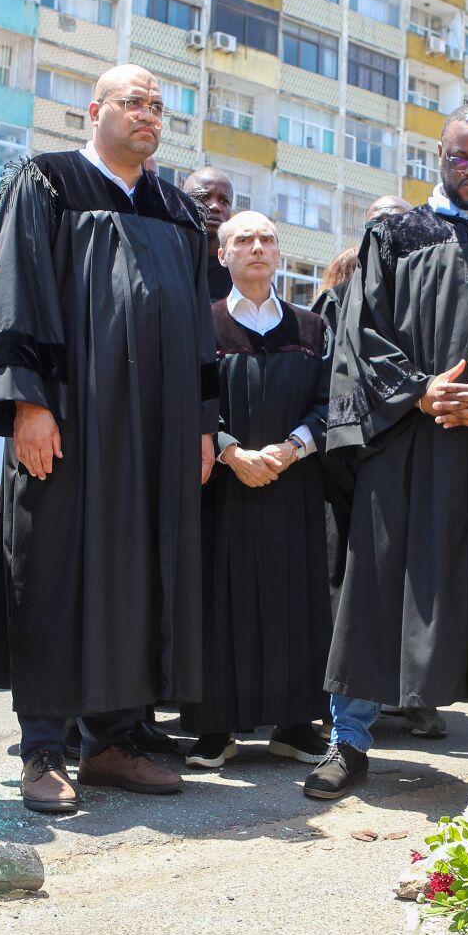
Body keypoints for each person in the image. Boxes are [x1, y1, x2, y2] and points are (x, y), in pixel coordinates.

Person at [306, 104, 468, 801]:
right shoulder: (394, 233)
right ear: (438, 156)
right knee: (377, 587)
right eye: (461, 157)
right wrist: (420, 391)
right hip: (407, 442)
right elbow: (363, 334)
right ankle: (350, 741)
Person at [0, 65, 217, 814]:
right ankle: (44, 747)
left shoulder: (179, 209)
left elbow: (201, 327)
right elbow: (16, 290)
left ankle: (115, 740)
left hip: (157, 427)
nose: (149, 115)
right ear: (95, 110)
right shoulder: (47, 184)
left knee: (140, 571)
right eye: (135, 101)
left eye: (159, 106)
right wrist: (28, 405)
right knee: (54, 566)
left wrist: (206, 425)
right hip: (72, 418)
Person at [183, 211, 332, 769]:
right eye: (242, 239)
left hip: (292, 487)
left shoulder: (310, 329)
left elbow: (331, 404)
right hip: (221, 487)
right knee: (219, 602)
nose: (257, 247)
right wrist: (231, 452)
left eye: (268, 238)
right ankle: (214, 729)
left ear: (279, 253)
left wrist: (292, 448)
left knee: (296, 600)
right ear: (221, 255)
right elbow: (183, 395)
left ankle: (295, 725)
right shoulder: (203, 324)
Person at [184, 167, 235, 302]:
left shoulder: (240, 273)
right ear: (182, 202)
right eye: (204, 197)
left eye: (224, 201)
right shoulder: (163, 259)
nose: (215, 206)